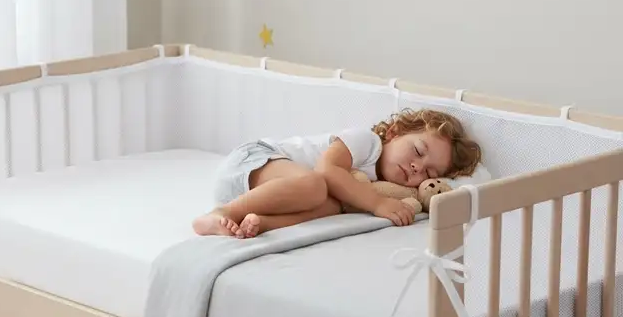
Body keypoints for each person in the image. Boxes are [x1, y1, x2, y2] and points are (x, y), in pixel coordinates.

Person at [192, 108, 483, 239]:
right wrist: (378, 204)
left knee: (331, 207)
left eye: (429, 171)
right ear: (394, 133)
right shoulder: (367, 142)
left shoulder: (377, 184)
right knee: (318, 186)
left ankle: (259, 224)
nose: (418, 167)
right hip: (252, 162)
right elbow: (327, 170)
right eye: (418, 151)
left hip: (267, 199)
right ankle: (222, 213)